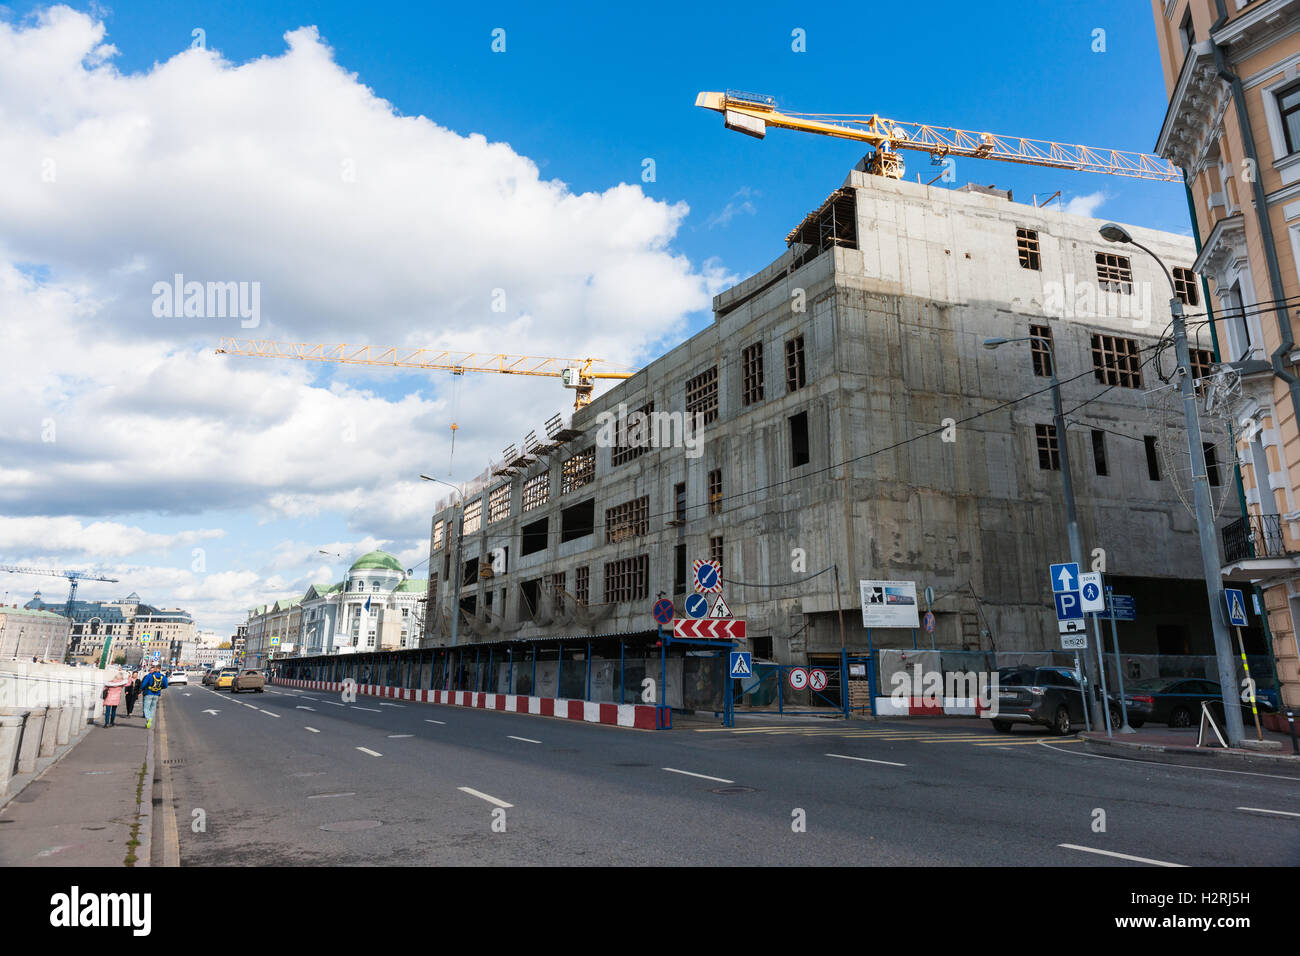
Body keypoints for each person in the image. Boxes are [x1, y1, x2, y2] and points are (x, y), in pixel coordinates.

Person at [139, 664, 168, 729]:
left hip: (148, 693)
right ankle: (149, 722)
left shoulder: (150, 675)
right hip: (157, 694)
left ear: (155, 669)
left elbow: (143, 684)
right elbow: (166, 686)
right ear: (160, 669)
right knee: (152, 708)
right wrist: (159, 688)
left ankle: (148, 719)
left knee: (146, 708)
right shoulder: (163, 676)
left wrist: (141, 689)